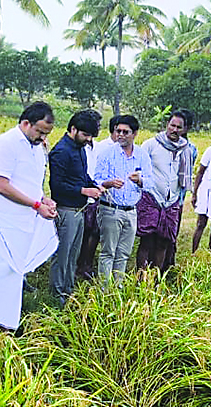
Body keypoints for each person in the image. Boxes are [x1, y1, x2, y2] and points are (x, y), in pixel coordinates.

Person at [0, 102, 59, 336]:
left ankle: (5, 329)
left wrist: (44, 200)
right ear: (26, 123)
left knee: (13, 279)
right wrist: (36, 205)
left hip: (22, 223)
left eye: (46, 134)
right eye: (39, 132)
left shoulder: (37, 148)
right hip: (0, 222)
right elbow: (1, 185)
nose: (42, 138)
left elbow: (30, 184)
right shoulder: (5, 144)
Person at [49, 110, 115, 301]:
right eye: (85, 135)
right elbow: (57, 185)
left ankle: (68, 288)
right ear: (73, 129)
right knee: (62, 254)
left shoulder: (79, 149)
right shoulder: (61, 151)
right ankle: (57, 292)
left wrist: (94, 186)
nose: (88, 140)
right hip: (66, 209)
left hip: (79, 209)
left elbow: (82, 176)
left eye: (91, 136)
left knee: (73, 254)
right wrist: (84, 191)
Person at [136, 111, 196, 273]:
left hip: (172, 201)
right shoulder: (151, 144)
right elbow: (138, 170)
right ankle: (141, 278)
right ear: (166, 125)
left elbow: (183, 177)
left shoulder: (186, 149)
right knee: (147, 241)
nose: (175, 130)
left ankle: (157, 277)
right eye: (172, 125)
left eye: (179, 127)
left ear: (184, 130)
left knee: (164, 241)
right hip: (151, 198)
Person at [93, 114, 148, 282]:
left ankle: (118, 288)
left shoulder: (142, 155)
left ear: (135, 133)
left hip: (131, 210)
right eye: (118, 131)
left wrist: (140, 180)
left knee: (124, 253)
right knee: (108, 252)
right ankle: (104, 290)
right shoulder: (107, 153)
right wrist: (108, 183)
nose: (121, 135)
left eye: (126, 132)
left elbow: (151, 182)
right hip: (111, 208)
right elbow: (96, 179)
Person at [75, 116, 119, 281]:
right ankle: (80, 264)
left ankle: (87, 264)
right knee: (86, 231)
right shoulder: (94, 147)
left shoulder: (97, 146)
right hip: (88, 193)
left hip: (98, 192)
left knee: (95, 231)